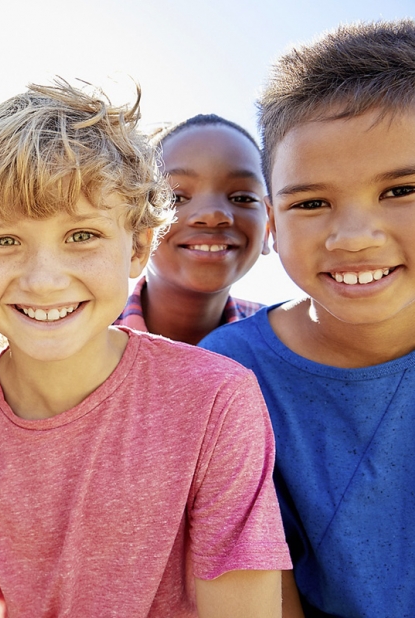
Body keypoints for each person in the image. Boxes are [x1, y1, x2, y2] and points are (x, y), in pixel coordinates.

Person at [0, 80, 292, 617]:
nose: (43, 281)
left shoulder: (217, 400)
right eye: (4, 241)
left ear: (138, 247)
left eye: (82, 235)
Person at [200, 20, 415, 617]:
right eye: (312, 203)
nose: (353, 238)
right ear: (271, 221)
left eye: (401, 190)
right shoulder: (229, 376)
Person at [115, 114, 267, 344]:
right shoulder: (81, 341)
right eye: (175, 197)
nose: (212, 214)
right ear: (137, 225)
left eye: (243, 198)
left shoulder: (288, 347)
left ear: (268, 227)